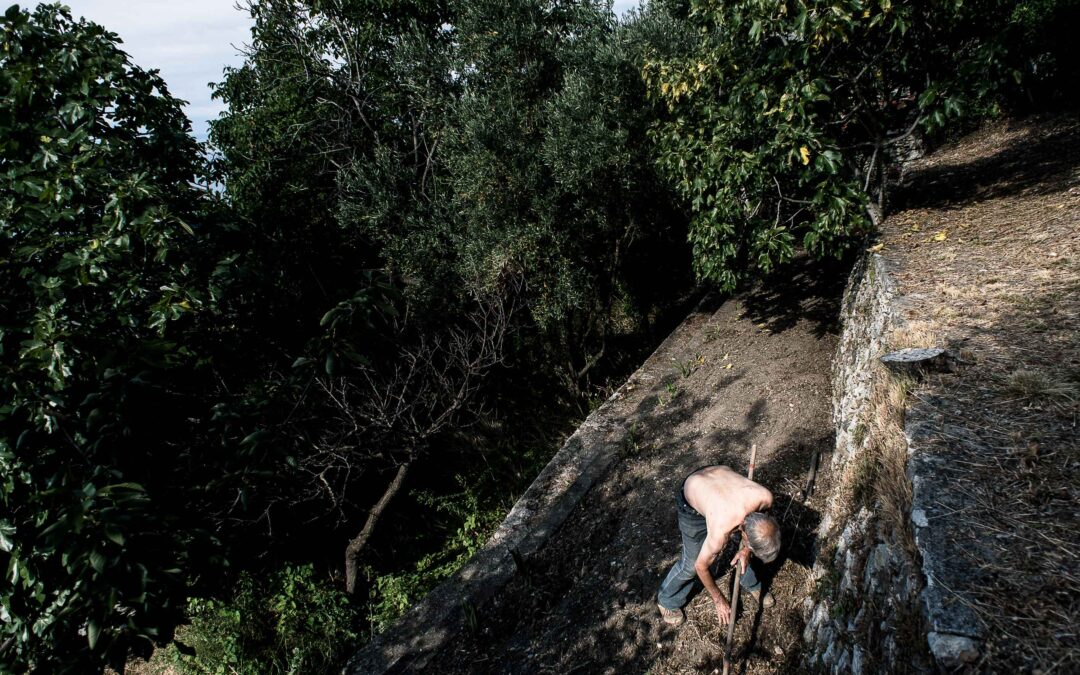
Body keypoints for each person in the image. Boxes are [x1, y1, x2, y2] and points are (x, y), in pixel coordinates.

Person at [656, 465, 781, 627]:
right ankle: (667, 600)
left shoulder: (765, 497)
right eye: (748, 543)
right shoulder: (720, 531)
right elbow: (701, 566)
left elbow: (757, 530)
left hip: (719, 487)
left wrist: (746, 550)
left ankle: (751, 581)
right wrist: (719, 599)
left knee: (753, 545)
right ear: (744, 534)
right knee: (690, 564)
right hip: (694, 496)